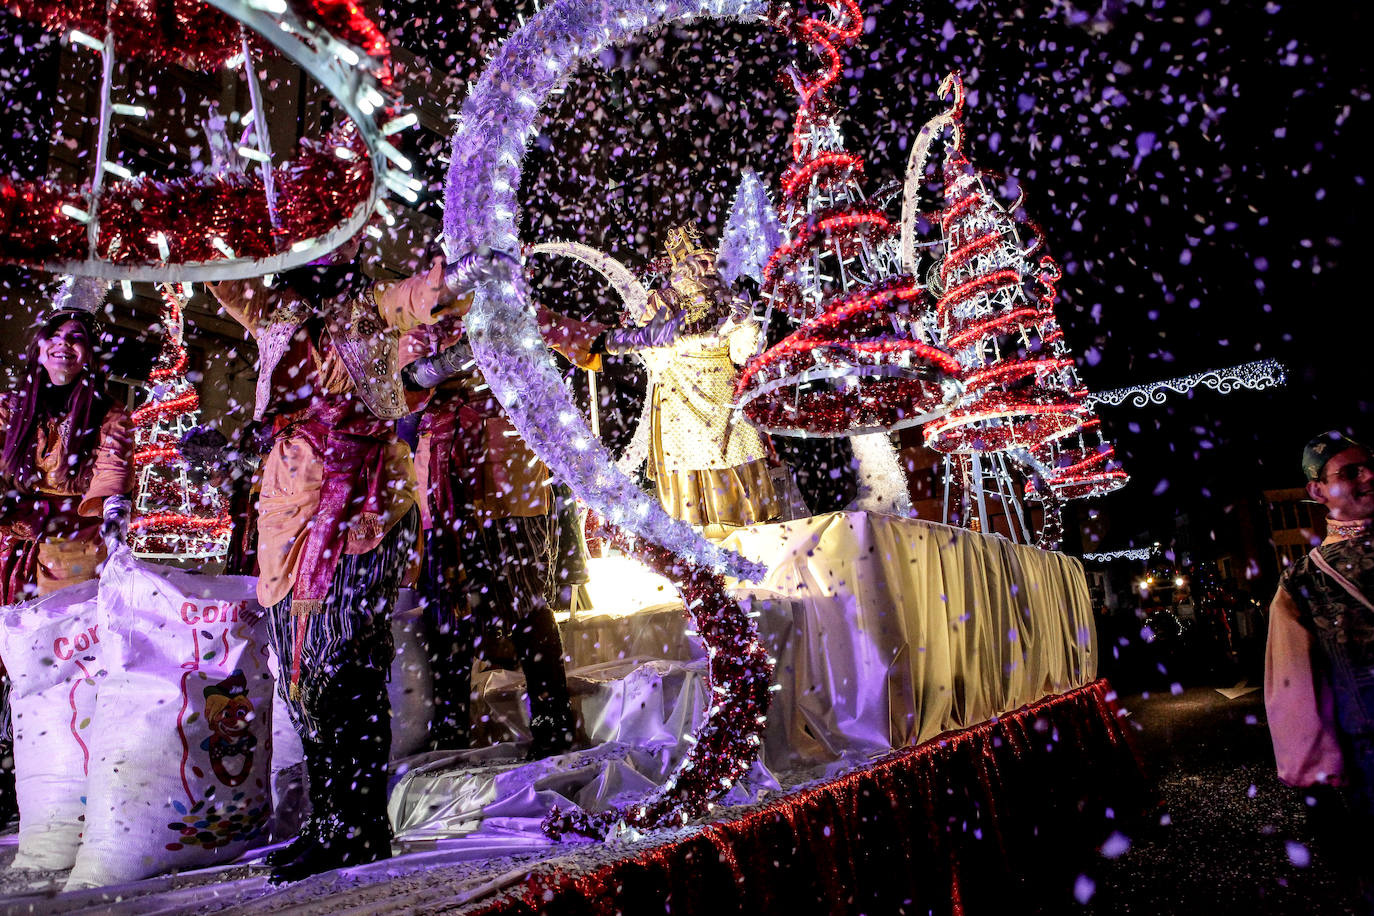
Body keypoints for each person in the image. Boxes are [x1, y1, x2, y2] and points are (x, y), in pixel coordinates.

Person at [207, 233, 465, 882]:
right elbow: (226, 280)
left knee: (343, 668)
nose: (321, 265)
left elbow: (407, 302)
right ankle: (331, 823)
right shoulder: (279, 313)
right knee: (302, 683)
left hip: (364, 508)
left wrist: (431, 294)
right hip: (291, 506)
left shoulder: (366, 308)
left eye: (332, 250)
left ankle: (360, 825)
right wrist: (202, 237)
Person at [404, 302, 668, 755]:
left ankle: (553, 718)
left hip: (508, 463)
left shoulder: (509, 302)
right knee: (447, 599)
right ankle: (452, 723)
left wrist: (646, 337)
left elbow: (582, 335)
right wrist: (460, 356)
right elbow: (404, 380)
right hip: (441, 468)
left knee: (524, 596)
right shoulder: (424, 308)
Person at [0, 276, 134, 823]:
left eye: (77, 338)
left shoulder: (107, 415)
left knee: (57, 669)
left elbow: (112, 475)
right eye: (56, 334)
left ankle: (52, 781)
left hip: (71, 555)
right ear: (38, 345)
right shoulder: (10, 407)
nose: (64, 345)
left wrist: (111, 515)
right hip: (8, 547)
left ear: (89, 354)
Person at [619, 225, 781, 539]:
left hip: (724, 386)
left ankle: (750, 534)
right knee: (693, 457)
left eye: (709, 260)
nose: (707, 268)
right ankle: (702, 537)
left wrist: (745, 323)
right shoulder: (662, 299)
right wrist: (708, 336)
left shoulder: (725, 295)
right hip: (682, 392)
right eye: (699, 262)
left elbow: (741, 351)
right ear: (682, 267)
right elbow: (653, 346)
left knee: (739, 448)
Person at [1264, 432, 1374, 851]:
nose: (1368, 476)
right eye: (1349, 472)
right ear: (1318, 490)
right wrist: (1316, 788)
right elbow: (1292, 691)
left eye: (1369, 464)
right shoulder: (1303, 580)